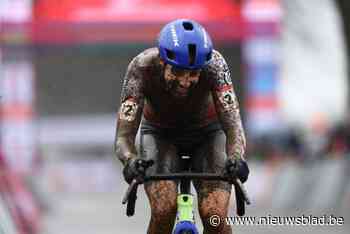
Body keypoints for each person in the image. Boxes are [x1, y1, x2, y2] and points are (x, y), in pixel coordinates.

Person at [114, 19, 249, 234]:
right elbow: (123, 136)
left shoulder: (215, 65)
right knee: (163, 209)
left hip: (208, 134)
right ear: (161, 60)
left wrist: (236, 157)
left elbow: (233, 124)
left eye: (194, 73)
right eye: (177, 71)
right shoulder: (141, 68)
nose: (185, 81)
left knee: (214, 215)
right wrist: (130, 160)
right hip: (160, 135)